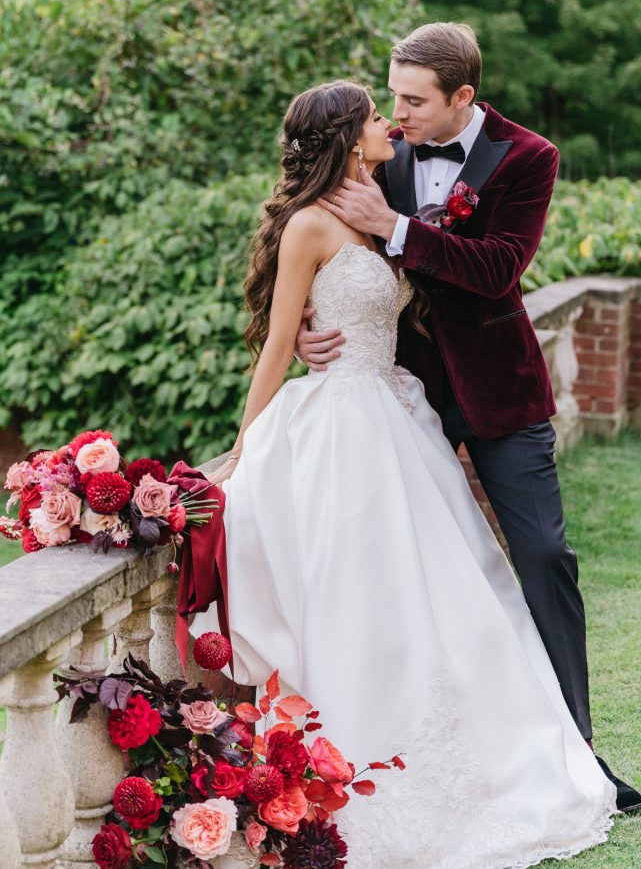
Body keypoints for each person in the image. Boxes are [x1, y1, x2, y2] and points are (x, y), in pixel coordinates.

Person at [195, 79, 618, 869]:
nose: (394, 121)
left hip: (402, 415)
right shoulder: (313, 224)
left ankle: (554, 745)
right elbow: (278, 340)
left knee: (459, 589)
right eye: (378, 112)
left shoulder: (393, 187)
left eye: (405, 103)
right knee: (363, 593)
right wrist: (248, 442)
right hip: (345, 427)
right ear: (351, 138)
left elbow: (478, 268)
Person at [299, 23, 641, 815]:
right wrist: (308, 329)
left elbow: (497, 270)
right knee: (411, 576)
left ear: (464, 97)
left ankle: (578, 753)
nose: (396, 114)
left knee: (543, 556)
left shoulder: (530, 159)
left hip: (500, 392)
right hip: (398, 391)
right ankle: (422, 753)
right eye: (392, 96)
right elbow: (308, 239)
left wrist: (396, 228)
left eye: (414, 100)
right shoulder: (382, 153)